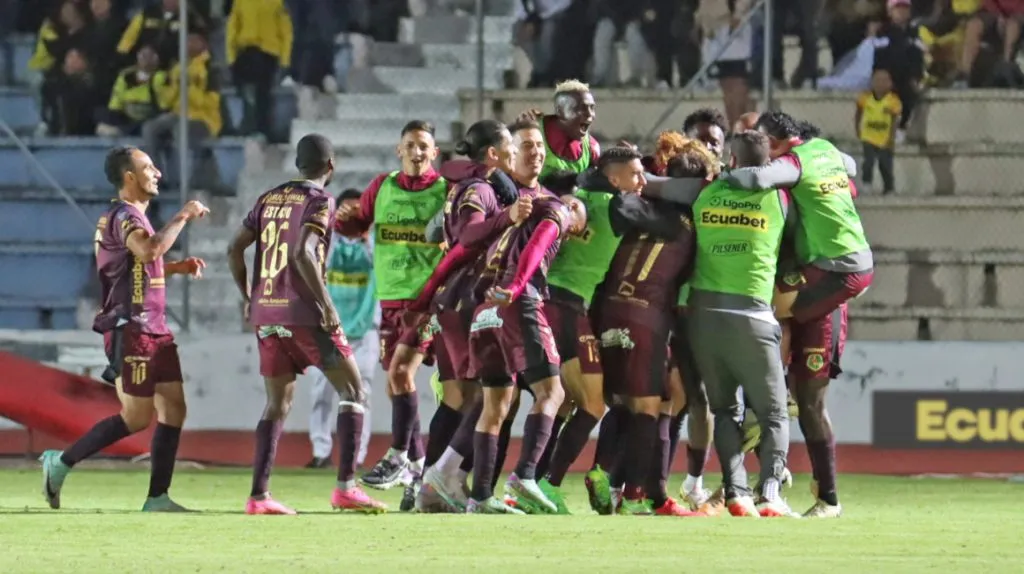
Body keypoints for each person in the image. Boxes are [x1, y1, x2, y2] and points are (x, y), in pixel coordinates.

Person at [40, 146, 208, 512]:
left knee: (175, 408)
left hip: (154, 328)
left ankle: (157, 498)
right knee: (136, 417)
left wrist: (176, 267)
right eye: (148, 167)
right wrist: (184, 214)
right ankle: (61, 462)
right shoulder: (124, 217)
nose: (158, 172)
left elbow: (133, 265)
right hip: (131, 328)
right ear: (129, 176)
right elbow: (147, 253)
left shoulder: (129, 218)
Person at [723, 111, 874, 518]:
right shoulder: (816, 158)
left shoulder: (788, 172)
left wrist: (724, 176)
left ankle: (827, 497)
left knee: (808, 402)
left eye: (758, 141)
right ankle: (767, 465)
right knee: (772, 369)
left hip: (823, 290)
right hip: (807, 277)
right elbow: (850, 165)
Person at [226, 134, 385, 515]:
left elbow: (234, 247)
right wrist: (326, 304)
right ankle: (346, 487)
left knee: (277, 403)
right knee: (353, 391)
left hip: (267, 314)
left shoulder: (269, 198)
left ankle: (259, 497)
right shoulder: (319, 200)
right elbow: (302, 253)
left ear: (298, 164)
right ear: (331, 167)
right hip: (303, 314)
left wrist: (249, 295)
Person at [539, 146, 687, 512]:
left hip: (552, 300)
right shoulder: (617, 205)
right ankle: (543, 483)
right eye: (636, 175)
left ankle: (535, 481)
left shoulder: (583, 193)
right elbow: (667, 226)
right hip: (567, 306)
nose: (642, 182)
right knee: (591, 404)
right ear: (615, 177)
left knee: (569, 400)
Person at [410, 120, 533, 512]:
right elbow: (469, 234)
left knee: (465, 397)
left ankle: (439, 482)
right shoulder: (478, 190)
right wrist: (509, 216)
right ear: (493, 153)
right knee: (491, 393)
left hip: (456, 297)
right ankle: (443, 476)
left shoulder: (476, 185)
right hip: (467, 297)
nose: (515, 153)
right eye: (510, 147)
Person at [687, 130, 800, 518]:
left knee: (724, 411)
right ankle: (769, 492)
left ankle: (736, 492)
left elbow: (662, 189)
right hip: (752, 316)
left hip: (702, 317)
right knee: (774, 414)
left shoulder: (704, 193)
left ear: (731, 160)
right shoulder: (778, 198)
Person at [334, 121, 448, 503]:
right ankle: (417, 471)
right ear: (399, 151)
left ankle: (400, 455)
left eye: (424, 147)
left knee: (402, 375)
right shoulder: (381, 187)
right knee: (398, 383)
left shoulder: (445, 190)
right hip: (390, 300)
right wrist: (342, 219)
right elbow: (356, 224)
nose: (417, 152)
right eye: (411, 145)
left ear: (435, 153)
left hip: (427, 300)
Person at [594, 150, 703, 517]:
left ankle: (604, 474)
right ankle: (635, 495)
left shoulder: (637, 210)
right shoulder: (690, 225)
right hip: (647, 315)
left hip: (607, 308)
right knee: (651, 407)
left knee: (623, 403)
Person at [465, 193, 589, 513]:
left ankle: (479, 496)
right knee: (552, 390)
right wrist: (518, 285)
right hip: (517, 300)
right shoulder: (557, 212)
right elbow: (540, 242)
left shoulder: (512, 224)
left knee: (496, 404)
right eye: (573, 212)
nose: (569, 209)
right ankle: (525, 475)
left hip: (483, 309)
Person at [306, 188, 378, 470]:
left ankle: (357, 456)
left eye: (356, 211)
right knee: (321, 392)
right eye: (345, 211)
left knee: (362, 393)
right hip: (329, 329)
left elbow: (377, 262)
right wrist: (334, 223)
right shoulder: (328, 241)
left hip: (365, 329)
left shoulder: (372, 243)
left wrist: (363, 230)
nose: (350, 216)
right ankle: (320, 452)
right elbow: (318, 258)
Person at [226, 0, 293, 138]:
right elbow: (232, 27)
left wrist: (285, 59)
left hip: (269, 52)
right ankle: (250, 120)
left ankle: (262, 125)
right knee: (245, 84)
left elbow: (285, 30)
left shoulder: (276, 2)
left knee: (263, 88)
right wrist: (231, 57)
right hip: (246, 50)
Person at [522, 80, 600, 178]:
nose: (590, 115)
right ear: (560, 110)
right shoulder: (532, 132)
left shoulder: (591, 147)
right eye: (581, 108)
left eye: (592, 108)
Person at [856, 68, 902, 194]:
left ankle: (889, 188)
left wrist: (891, 137)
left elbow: (894, 120)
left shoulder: (893, 101)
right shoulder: (865, 98)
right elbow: (858, 114)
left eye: (884, 81)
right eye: (877, 80)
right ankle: (866, 184)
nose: (880, 84)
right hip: (868, 136)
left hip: (884, 138)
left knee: (885, 164)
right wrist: (858, 129)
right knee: (868, 161)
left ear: (890, 84)